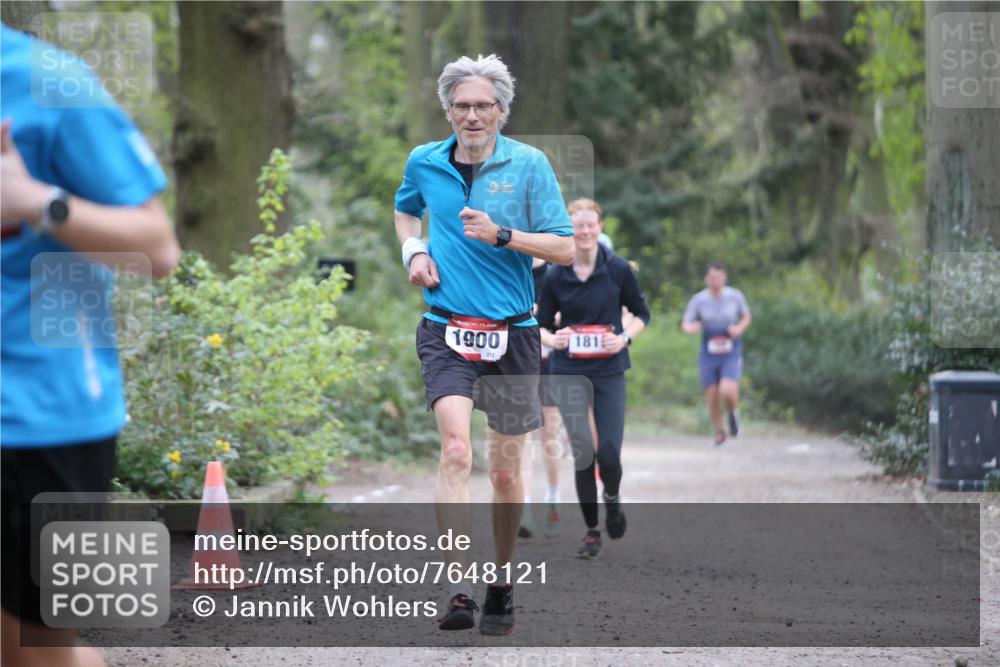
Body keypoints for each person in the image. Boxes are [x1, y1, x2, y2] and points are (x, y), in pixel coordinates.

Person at [1, 23, 180, 667]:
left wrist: (34, 202)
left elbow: (156, 247)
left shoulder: (51, 82)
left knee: (33, 651)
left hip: (38, 421)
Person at [393, 53, 573, 635]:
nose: (472, 116)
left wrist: (503, 236)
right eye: (462, 106)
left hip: (513, 333)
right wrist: (413, 252)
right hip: (446, 328)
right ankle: (458, 590)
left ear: (500, 111)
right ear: (448, 109)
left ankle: (500, 579)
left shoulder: (529, 165)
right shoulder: (424, 161)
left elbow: (564, 249)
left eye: (483, 106)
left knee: (502, 471)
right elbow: (404, 211)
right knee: (454, 450)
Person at [536, 198, 650, 559]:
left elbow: (642, 313)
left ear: (599, 228)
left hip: (609, 369)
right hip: (568, 369)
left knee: (609, 453)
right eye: (577, 225)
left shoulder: (617, 269)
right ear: (569, 229)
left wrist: (624, 337)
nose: (584, 231)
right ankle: (591, 531)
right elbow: (537, 323)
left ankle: (612, 500)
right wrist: (555, 339)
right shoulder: (556, 273)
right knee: (584, 451)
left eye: (590, 225)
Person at [516, 258, 566, 539]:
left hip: (549, 362)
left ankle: (553, 496)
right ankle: (524, 507)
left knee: (549, 437)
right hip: (518, 359)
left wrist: (545, 317)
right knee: (522, 436)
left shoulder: (556, 270)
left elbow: (568, 314)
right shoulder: (510, 260)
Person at [681, 262, 752, 446]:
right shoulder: (699, 300)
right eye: (711, 277)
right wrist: (693, 327)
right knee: (712, 394)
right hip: (709, 348)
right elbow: (687, 323)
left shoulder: (735, 296)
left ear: (724, 278)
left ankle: (732, 414)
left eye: (718, 277)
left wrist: (739, 328)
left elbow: (746, 316)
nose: (715, 280)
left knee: (727, 389)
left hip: (730, 346)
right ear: (706, 278)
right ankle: (719, 432)